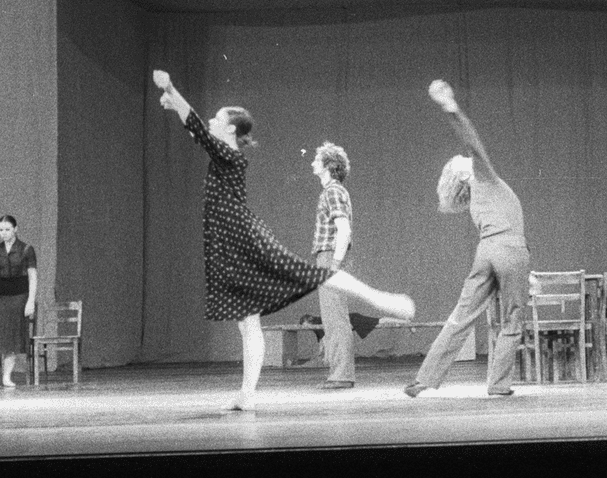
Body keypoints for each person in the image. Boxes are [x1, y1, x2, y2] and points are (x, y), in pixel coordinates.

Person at [152, 70, 414, 411]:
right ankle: (246, 395)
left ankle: (381, 300)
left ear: (230, 129)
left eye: (218, 119)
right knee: (247, 323)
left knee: (309, 275)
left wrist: (173, 90)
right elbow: (197, 128)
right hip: (229, 247)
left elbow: (198, 129)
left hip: (243, 239)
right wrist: (173, 103)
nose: (212, 122)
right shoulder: (224, 153)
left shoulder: (229, 154)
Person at [404, 80, 529, 398]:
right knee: (513, 318)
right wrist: (452, 108)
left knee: (461, 315)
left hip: (485, 252)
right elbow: (473, 143)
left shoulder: (474, 197)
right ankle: (498, 385)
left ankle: (425, 379)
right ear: (467, 172)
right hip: (509, 249)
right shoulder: (484, 177)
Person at [310, 141, 357, 389]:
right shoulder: (333, 191)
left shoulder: (333, 191)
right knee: (332, 317)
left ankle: (341, 375)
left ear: (328, 165)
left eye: (317, 160)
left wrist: (335, 264)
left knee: (335, 317)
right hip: (327, 257)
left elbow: (344, 229)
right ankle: (339, 372)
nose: (312, 164)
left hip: (330, 257)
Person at [0, 214, 38, 389]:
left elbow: (33, 276)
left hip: (18, 296)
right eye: (0, 230)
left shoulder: (26, 249)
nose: (3, 233)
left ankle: (6, 376)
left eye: (7, 230)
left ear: (15, 229)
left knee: (12, 336)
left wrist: (31, 301)